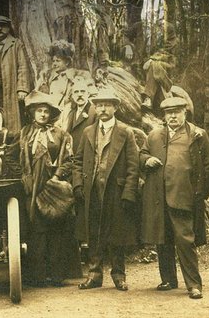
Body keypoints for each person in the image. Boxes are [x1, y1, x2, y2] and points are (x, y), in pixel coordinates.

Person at [140, 96, 209, 300]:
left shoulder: (197, 135)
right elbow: (141, 154)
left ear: (185, 113)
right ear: (164, 116)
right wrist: (146, 160)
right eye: (168, 113)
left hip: (184, 197)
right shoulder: (154, 135)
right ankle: (168, 280)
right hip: (158, 197)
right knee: (162, 239)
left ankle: (193, 284)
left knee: (185, 240)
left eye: (177, 112)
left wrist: (200, 194)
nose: (172, 116)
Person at [72, 88, 139, 291]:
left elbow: (133, 165)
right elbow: (77, 161)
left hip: (115, 191)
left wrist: (128, 192)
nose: (102, 109)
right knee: (93, 232)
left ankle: (119, 275)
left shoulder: (125, 132)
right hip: (92, 190)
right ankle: (94, 274)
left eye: (107, 105)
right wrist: (78, 184)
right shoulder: (88, 131)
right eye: (99, 105)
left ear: (116, 107)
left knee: (116, 233)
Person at [17, 91, 81, 287]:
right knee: (36, 229)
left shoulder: (61, 134)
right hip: (32, 187)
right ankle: (36, 275)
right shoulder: (25, 133)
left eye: (46, 111)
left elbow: (69, 160)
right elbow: (15, 157)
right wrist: (24, 176)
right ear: (33, 113)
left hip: (53, 186)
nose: (43, 114)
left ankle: (57, 275)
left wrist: (56, 178)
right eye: (39, 111)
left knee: (56, 228)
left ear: (51, 114)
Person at [38, 40, 91, 129]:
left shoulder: (79, 75)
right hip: (49, 117)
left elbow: (89, 95)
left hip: (69, 117)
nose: (54, 64)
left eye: (58, 61)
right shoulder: (47, 76)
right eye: (53, 61)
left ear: (67, 62)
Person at [62, 79, 97, 154]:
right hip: (73, 156)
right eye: (76, 92)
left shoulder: (94, 112)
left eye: (83, 91)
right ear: (72, 96)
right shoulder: (71, 113)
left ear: (88, 94)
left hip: (87, 155)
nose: (79, 94)